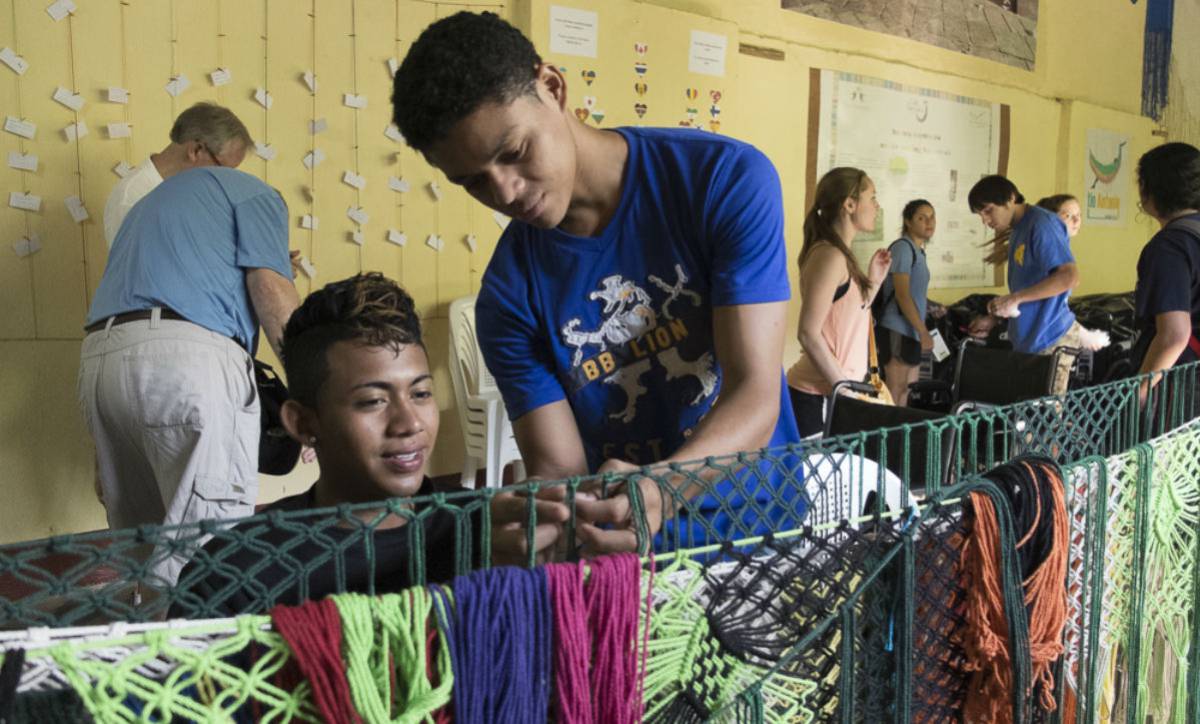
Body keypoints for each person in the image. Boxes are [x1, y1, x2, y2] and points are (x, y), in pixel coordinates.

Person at [391, 12, 802, 553]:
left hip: (765, 528)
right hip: (626, 553)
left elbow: (755, 393)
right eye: (472, 182)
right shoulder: (508, 299)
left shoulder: (721, 181)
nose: (506, 192)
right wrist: (539, 519)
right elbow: (560, 469)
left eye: (514, 152)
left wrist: (661, 488)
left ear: (553, 88)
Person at [170, 273, 562, 616]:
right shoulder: (234, 573)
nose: (409, 424)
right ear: (303, 422)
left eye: (422, 394)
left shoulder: (488, 531)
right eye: (373, 401)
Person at [78, 166, 299, 584]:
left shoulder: (150, 207)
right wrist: (312, 393)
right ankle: (201, 644)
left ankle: (149, 639)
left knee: (142, 545)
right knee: (209, 551)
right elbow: (271, 289)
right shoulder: (259, 195)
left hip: (101, 360)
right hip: (186, 363)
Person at [787, 168, 891, 437]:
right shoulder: (830, 256)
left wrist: (875, 281)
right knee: (820, 479)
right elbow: (808, 333)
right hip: (817, 397)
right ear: (849, 204)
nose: (877, 206)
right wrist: (843, 391)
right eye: (872, 197)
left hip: (834, 394)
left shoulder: (840, 254)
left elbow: (844, 318)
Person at [969, 175, 1082, 394]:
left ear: (1011, 198)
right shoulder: (1019, 229)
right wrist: (997, 315)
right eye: (980, 215)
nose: (985, 220)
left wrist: (1015, 299)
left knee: (1042, 423)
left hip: (1050, 338)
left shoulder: (1041, 224)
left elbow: (1070, 277)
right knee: (1024, 421)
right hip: (1029, 339)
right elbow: (1029, 287)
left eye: (988, 210)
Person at [103, 102, 251, 248]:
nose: (223, 179)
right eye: (222, 169)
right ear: (196, 150)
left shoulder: (190, 190)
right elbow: (138, 267)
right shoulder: (132, 197)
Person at [1131, 142, 1200, 398]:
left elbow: (1174, 335)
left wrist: (1138, 394)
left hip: (1184, 385)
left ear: (1148, 189)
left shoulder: (1169, 246)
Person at [875, 199, 936, 406]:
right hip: (898, 329)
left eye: (931, 216)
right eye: (921, 217)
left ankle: (901, 437)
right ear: (908, 222)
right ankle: (888, 437)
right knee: (895, 390)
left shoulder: (918, 251)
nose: (929, 222)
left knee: (907, 391)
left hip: (912, 330)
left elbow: (915, 292)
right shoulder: (903, 248)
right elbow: (902, 295)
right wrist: (923, 332)